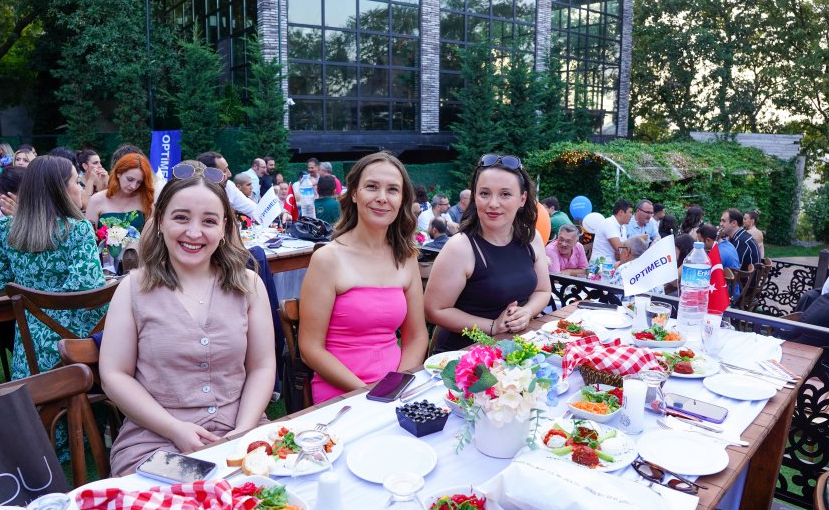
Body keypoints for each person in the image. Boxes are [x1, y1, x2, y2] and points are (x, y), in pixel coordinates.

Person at [100, 169, 276, 475]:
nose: (194, 233)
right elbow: (114, 375)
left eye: (208, 221)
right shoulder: (133, 289)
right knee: (185, 499)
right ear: (160, 222)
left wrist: (244, 430)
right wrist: (173, 428)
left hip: (241, 430)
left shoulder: (249, 285)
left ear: (224, 228)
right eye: (181, 218)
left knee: (267, 496)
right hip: (156, 439)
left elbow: (262, 366)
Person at [300, 151, 428, 404]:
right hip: (342, 392)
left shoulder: (406, 257)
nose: (382, 198)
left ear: (402, 199)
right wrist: (368, 393)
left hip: (397, 389)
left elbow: (416, 337)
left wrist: (396, 386)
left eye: (392, 190)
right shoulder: (328, 259)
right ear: (354, 194)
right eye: (371, 187)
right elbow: (310, 348)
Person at [0, 156, 106, 379]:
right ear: (60, 190)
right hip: (76, 348)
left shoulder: (7, 227)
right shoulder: (78, 229)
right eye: (76, 182)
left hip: (31, 352)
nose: (80, 188)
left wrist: (28, 294)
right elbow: (89, 295)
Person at [424, 154, 550, 353]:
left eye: (505, 194)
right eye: (484, 193)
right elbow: (434, 310)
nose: (493, 203)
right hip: (462, 357)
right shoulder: (459, 247)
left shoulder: (532, 238)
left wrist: (527, 312)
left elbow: (543, 291)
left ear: (522, 199)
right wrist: (492, 327)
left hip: (513, 351)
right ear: (475, 197)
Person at [86, 153, 154, 233]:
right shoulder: (96, 200)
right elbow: (88, 236)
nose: (133, 186)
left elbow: (151, 236)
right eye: (130, 179)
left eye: (139, 182)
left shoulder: (145, 200)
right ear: (119, 173)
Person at [197, 152, 258, 218]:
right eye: (224, 171)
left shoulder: (228, 186)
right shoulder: (193, 194)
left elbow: (253, 209)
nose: (229, 174)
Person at [591, 199, 632, 265]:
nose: (631, 215)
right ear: (621, 212)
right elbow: (619, 248)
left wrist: (624, 249)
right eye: (630, 212)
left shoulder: (623, 227)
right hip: (600, 266)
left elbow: (622, 252)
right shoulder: (609, 223)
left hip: (611, 265)